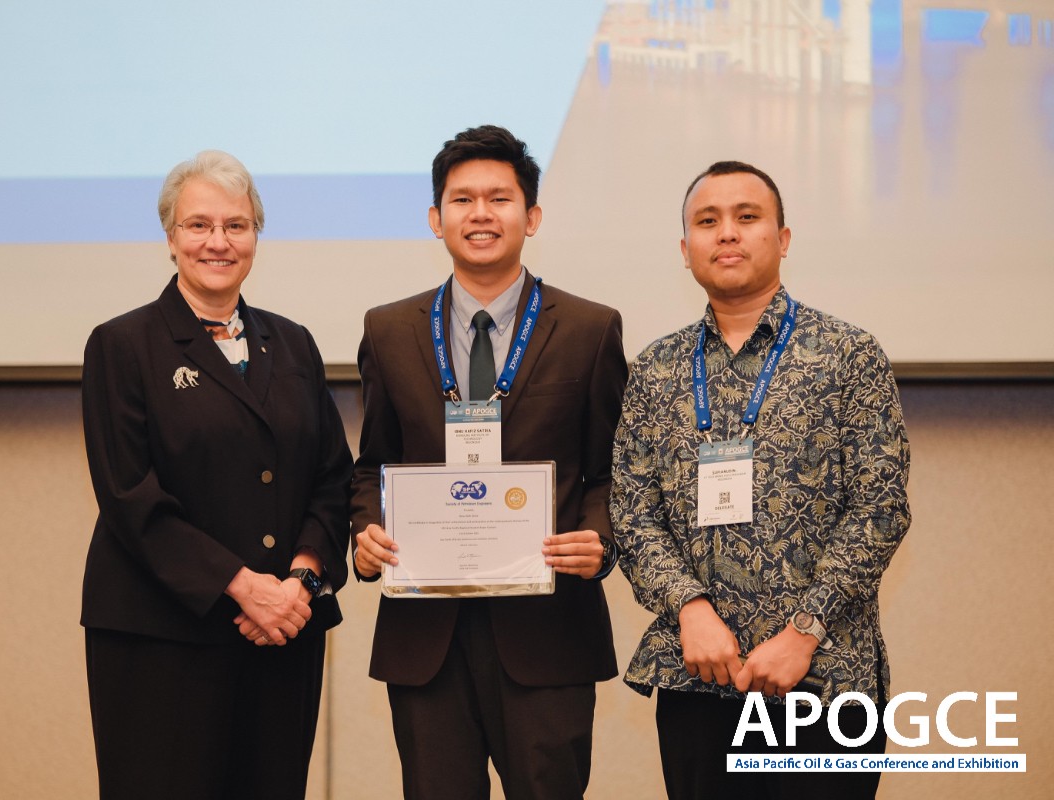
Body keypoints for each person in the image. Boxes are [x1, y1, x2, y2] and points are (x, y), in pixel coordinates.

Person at [610, 161, 911, 799]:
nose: (727, 234)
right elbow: (633, 515)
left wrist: (804, 630)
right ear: (684, 246)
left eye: (747, 217)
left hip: (825, 676)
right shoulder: (657, 369)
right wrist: (690, 610)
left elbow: (880, 509)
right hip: (699, 678)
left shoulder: (848, 354)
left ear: (783, 236)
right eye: (707, 221)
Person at [350, 125, 628, 800]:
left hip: (548, 632)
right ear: (435, 218)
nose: (480, 213)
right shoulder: (388, 330)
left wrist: (600, 539)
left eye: (499, 199)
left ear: (531, 217)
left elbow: (613, 471)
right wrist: (364, 533)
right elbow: (372, 466)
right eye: (462, 199)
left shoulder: (590, 329)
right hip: (427, 638)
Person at [80, 150, 353, 800]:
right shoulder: (122, 345)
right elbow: (130, 496)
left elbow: (331, 478)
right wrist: (242, 587)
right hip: (162, 636)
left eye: (236, 225)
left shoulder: (294, 344)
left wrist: (300, 582)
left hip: (281, 631)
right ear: (170, 238)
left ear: (256, 236)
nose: (217, 242)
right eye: (198, 225)